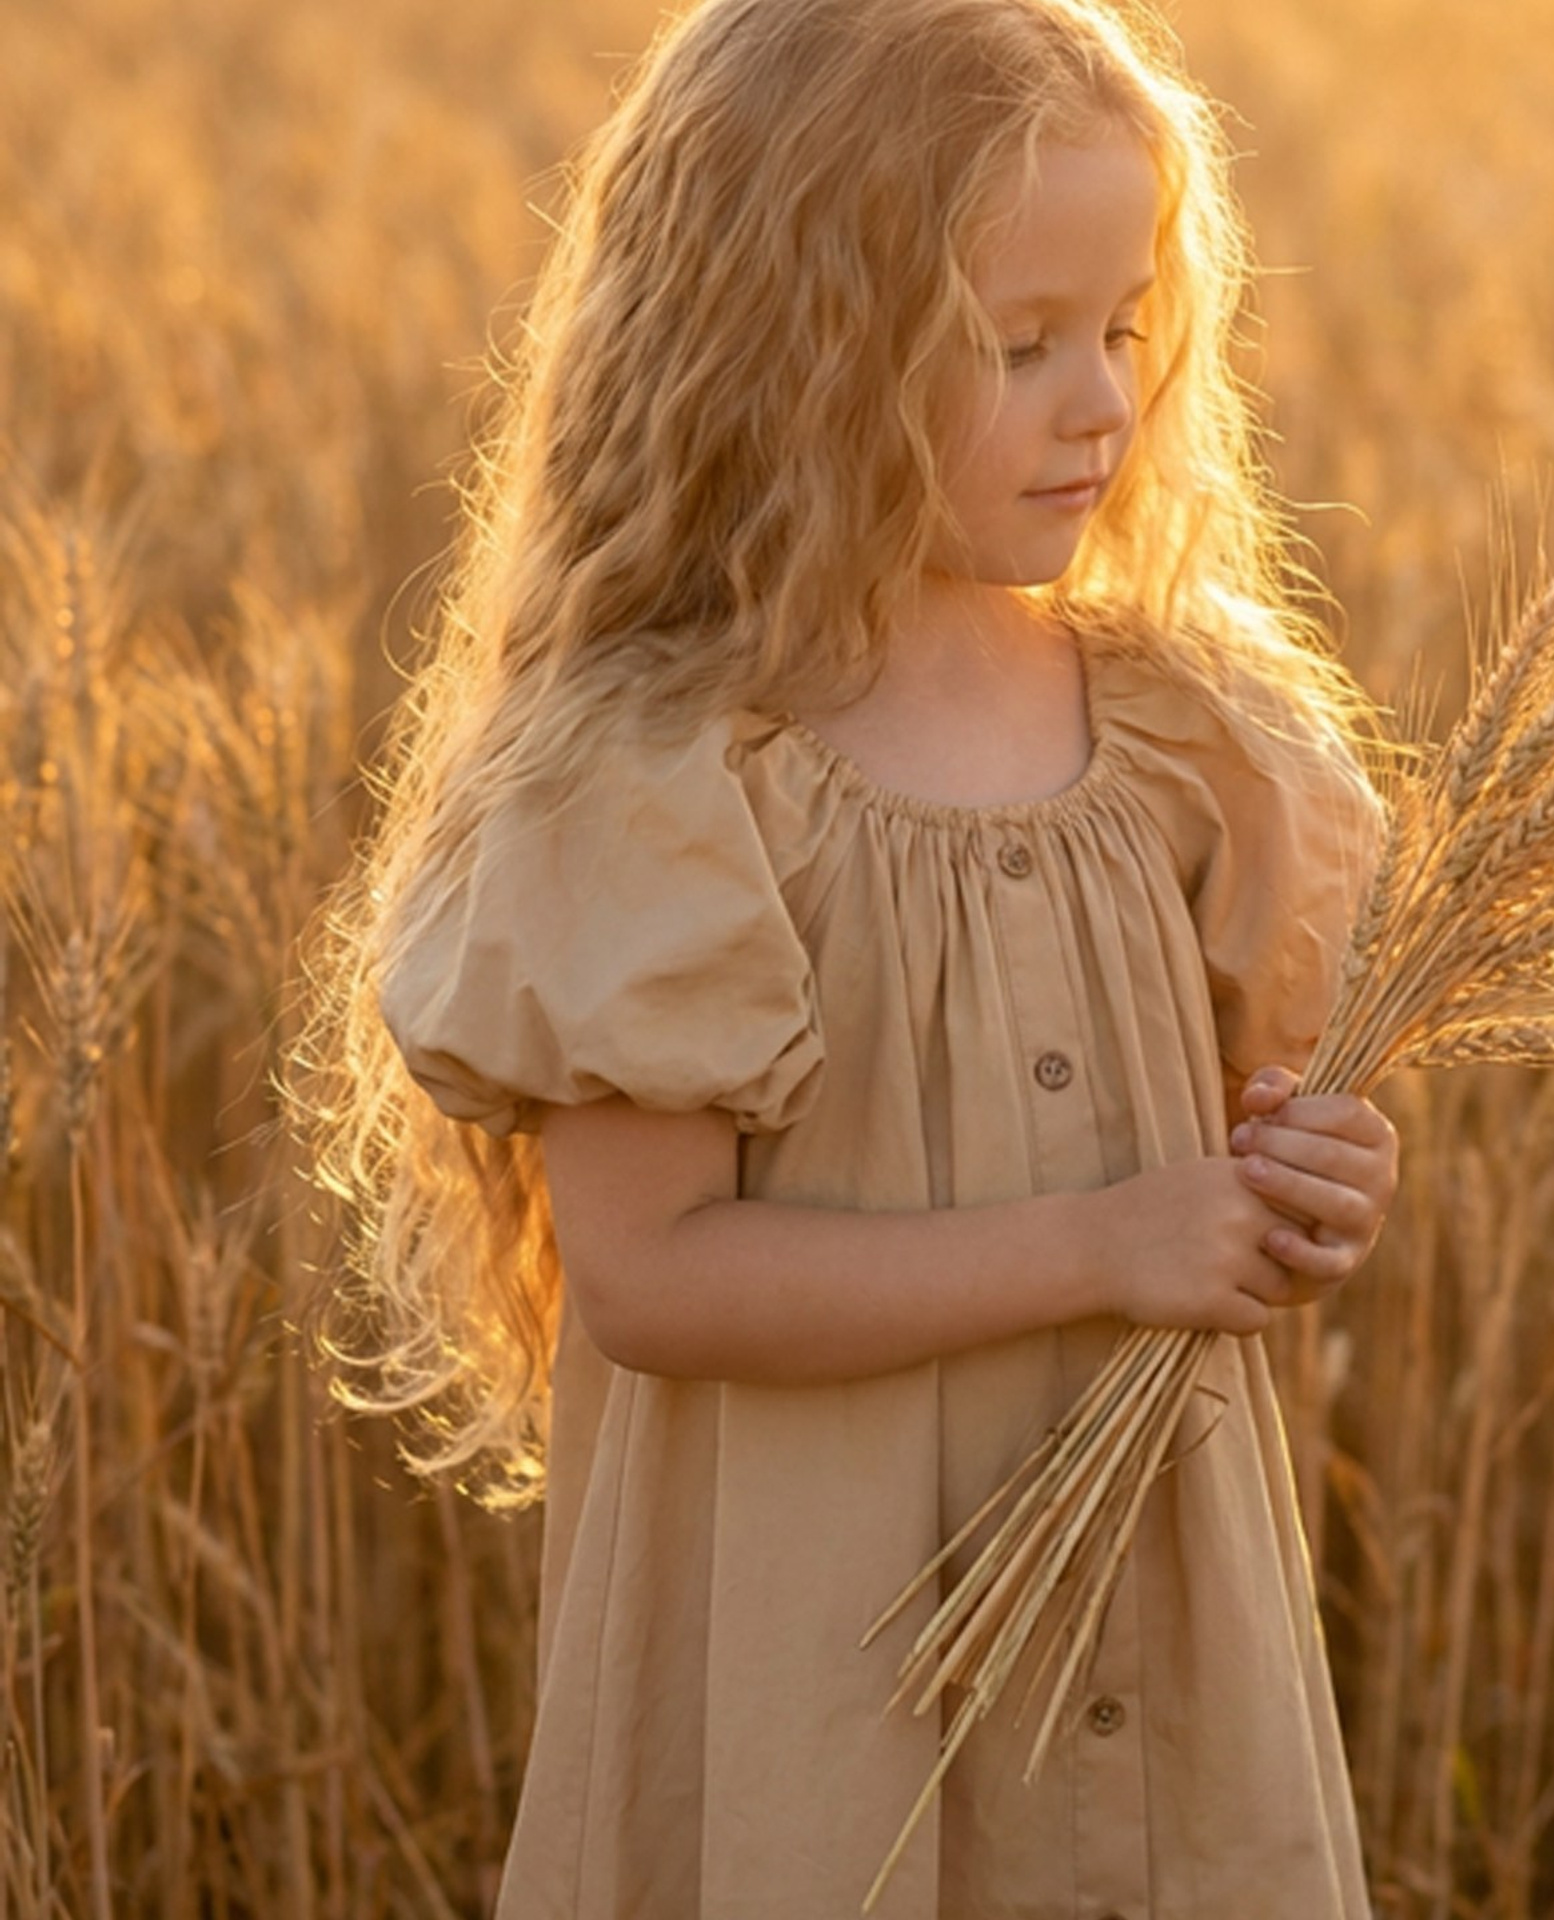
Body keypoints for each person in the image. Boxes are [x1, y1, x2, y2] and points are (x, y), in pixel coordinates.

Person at [302, 0, 1400, 1913]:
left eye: (1127, 325)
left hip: (1148, 1626)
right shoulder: (666, 781)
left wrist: (1309, 1185)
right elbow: (653, 1277)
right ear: (795, 351)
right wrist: (1100, 1244)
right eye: (1016, 344)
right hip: (823, 1682)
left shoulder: (1187, 736)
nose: (1103, 404)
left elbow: (1235, 1141)